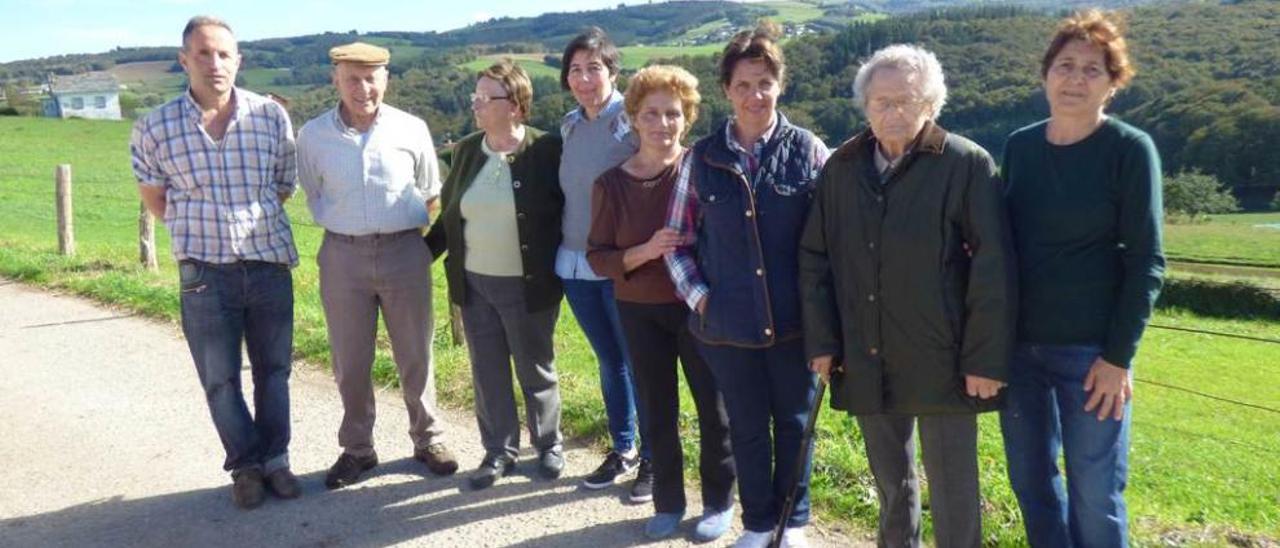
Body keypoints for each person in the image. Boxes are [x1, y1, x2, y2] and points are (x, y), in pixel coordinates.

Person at [799, 44, 1016, 548]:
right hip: (867, 349)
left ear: (931, 104)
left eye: (907, 100)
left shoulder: (966, 164)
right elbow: (815, 259)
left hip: (946, 355)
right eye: (881, 101)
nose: (893, 111)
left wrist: (985, 359)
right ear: (865, 105)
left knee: (954, 489)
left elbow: (993, 268)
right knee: (892, 484)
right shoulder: (842, 167)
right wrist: (822, 342)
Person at [1000, 10, 1164, 547]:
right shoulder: (1020, 147)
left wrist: (1118, 358)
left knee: (1096, 495)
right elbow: (1000, 248)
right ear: (1045, 75)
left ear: (1113, 84)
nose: (1075, 79)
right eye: (1065, 65)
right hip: (1020, 351)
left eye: (1092, 70)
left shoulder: (1129, 151)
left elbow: (1147, 262)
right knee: (1032, 484)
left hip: (1092, 356)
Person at [664, 21, 829, 548]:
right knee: (748, 429)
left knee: (797, 426)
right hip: (726, 328)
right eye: (742, 85)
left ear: (779, 85)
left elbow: (833, 242)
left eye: (764, 83)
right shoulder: (701, 159)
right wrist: (703, 300)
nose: (754, 95)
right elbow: (678, 243)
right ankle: (759, 525)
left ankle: (793, 525)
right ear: (726, 91)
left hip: (795, 325)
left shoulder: (810, 152)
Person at [130, 15, 300, 509]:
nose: (215, 63)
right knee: (220, 378)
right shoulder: (154, 126)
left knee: (275, 371)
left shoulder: (270, 117)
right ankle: (245, 465)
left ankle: (277, 460)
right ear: (184, 60)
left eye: (224, 54)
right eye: (203, 53)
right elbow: (155, 201)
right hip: (204, 271)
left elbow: (283, 185)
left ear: (238, 60)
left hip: (267, 262)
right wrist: (207, 229)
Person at [296, 42, 458, 490]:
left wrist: (403, 238)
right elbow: (312, 192)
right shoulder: (312, 136)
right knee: (350, 359)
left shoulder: (411, 128)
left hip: (405, 250)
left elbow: (429, 192)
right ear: (336, 79)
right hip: (342, 255)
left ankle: (428, 439)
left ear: (386, 79)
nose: (363, 88)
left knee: (416, 353)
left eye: (372, 78)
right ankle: (358, 449)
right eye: (352, 78)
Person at [586, 65, 736, 542]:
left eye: (673, 113)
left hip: (697, 309)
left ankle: (718, 502)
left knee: (715, 411)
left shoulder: (704, 171)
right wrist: (645, 251)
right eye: (651, 113)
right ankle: (669, 502)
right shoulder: (610, 184)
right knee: (657, 409)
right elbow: (597, 256)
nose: (662, 123)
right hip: (638, 309)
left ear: (687, 118)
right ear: (633, 117)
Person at [424, 61, 566, 490]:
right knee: (486, 372)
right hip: (473, 284)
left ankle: (548, 444)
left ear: (516, 106)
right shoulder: (467, 151)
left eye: (486, 98)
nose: (477, 105)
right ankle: (499, 451)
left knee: (535, 368)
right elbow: (449, 219)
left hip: (528, 285)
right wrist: (418, 256)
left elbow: (570, 211)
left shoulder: (547, 150)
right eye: (476, 97)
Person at [556, 27, 654, 501]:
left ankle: (655, 458)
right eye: (575, 69)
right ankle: (624, 448)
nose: (583, 77)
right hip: (574, 263)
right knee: (610, 361)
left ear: (613, 72)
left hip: (621, 263)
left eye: (593, 67)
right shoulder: (569, 126)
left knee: (639, 362)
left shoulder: (632, 121)